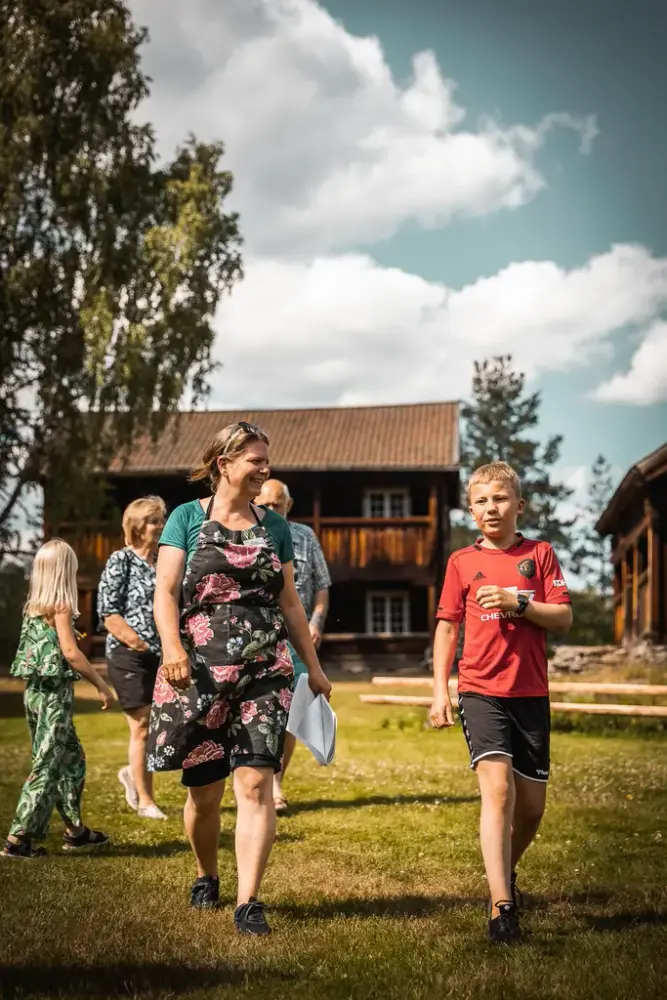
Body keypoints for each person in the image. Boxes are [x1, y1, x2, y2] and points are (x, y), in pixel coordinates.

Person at [147, 421, 332, 935]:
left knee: (255, 783)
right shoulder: (185, 517)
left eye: (265, 460)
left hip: (265, 670)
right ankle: (207, 873)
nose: (264, 469)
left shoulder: (274, 527)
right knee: (204, 795)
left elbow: (290, 601)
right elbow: (165, 591)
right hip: (199, 671)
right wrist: (172, 648)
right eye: (254, 459)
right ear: (223, 464)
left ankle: (249, 901)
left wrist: (312, 670)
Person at [430, 462, 572, 944]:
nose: (492, 508)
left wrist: (521, 604)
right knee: (498, 793)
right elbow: (447, 627)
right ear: (471, 510)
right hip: (479, 690)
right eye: (482, 501)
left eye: (500, 499)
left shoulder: (541, 554)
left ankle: (503, 871)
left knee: (531, 808)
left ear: (519, 505)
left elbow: (564, 618)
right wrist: (440, 691)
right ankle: (501, 904)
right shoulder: (461, 563)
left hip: (531, 693)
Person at [2, 539, 114, 859]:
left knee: (71, 760)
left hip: (34, 695)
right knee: (47, 766)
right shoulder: (61, 606)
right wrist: (100, 684)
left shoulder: (33, 607)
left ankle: (76, 832)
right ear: (66, 571)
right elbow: (71, 653)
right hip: (53, 699)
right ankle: (17, 839)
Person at [255, 479, 331, 812]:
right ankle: (255, 781)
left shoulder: (305, 536)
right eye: (267, 505)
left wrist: (315, 622)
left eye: (279, 504)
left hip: (297, 639)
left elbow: (322, 585)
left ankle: (276, 785)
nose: (273, 510)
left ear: (289, 504)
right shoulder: (249, 533)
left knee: (292, 713)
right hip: (259, 637)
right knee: (261, 711)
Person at [97, 496, 167, 820]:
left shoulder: (165, 561)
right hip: (128, 654)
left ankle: (133, 775)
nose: (161, 525)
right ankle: (146, 802)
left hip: (161, 654)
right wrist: (137, 642)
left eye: (162, 519)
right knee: (142, 724)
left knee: (154, 726)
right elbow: (108, 613)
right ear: (138, 526)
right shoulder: (120, 560)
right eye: (155, 520)